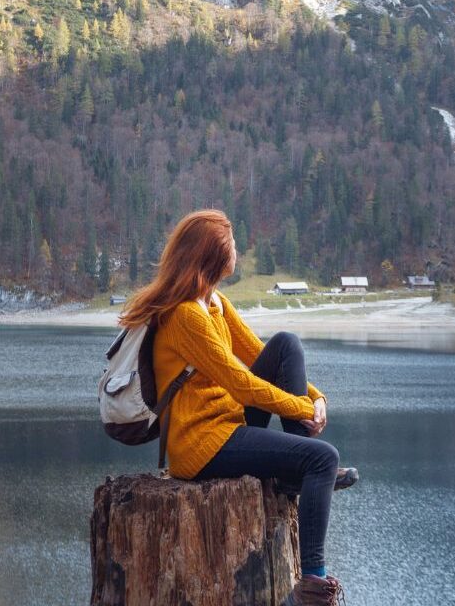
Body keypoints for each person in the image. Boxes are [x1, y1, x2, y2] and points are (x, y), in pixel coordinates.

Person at [116, 209, 359, 606]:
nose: (238, 254)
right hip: (201, 446)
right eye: (232, 247)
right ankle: (314, 587)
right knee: (323, 460)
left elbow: (260, 356)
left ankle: (294, 478)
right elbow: (241, 384)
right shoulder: (184, 315)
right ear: (213, 256)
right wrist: (299, 406)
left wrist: (316, 398)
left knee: (286, 345)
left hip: (226, 424)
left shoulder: (214, 303)